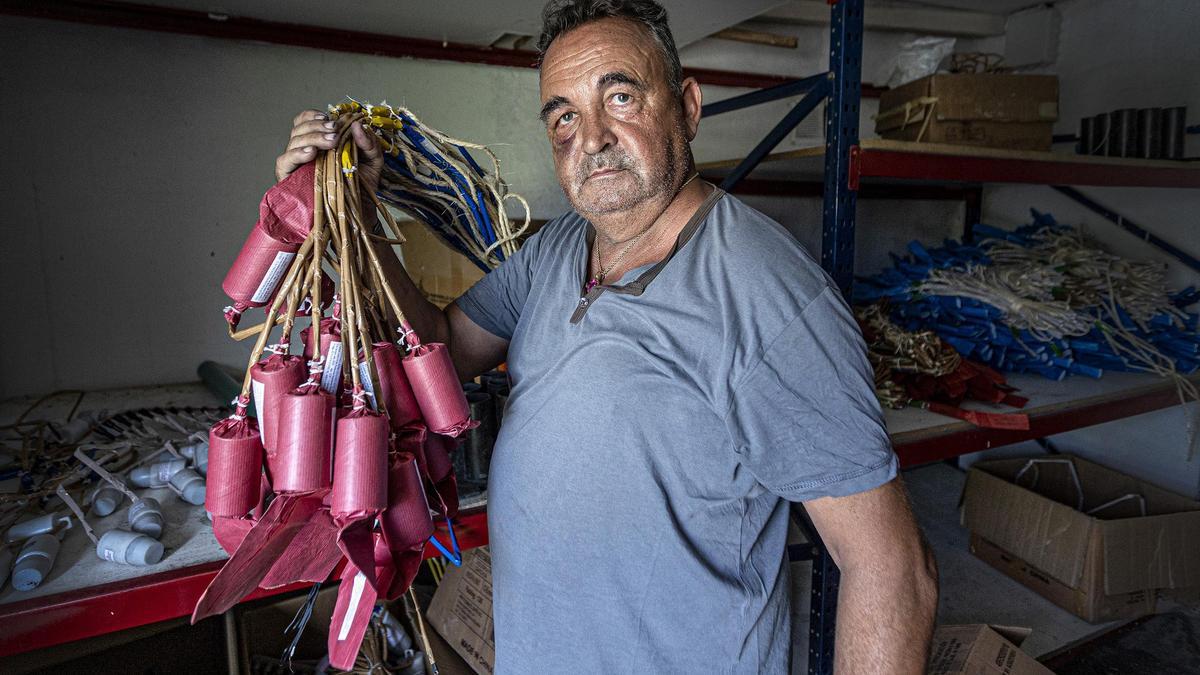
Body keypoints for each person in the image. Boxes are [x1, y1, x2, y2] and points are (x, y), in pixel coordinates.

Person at [274, 0, 937, 671]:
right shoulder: (555, 250)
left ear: (688, 106)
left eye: (619, 96)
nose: (590, 137)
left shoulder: (768, 296)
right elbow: (441, 343)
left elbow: (893, 570)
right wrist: (353, 217)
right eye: (564, 116)